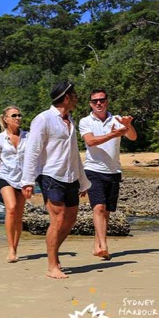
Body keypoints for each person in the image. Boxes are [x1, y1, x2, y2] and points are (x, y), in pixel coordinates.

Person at [21, 81, 91, 279]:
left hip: (70, 175)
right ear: (66, 97)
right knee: (58, 218)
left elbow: (74, 153)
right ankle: (52, 265)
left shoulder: (70, 120)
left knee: (70, 219)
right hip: (50, 174)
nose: (77, 98)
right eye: (75, 95)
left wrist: (83, 181)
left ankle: (54, 254)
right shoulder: (43, 119)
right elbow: (32, 151)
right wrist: (28, 181)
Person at [79, 88, 137, 259]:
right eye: (95, 101)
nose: (99, 103)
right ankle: (104, 245)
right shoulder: (85, 121)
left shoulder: (117, 119)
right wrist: (113, 134)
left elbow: (133, 137)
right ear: (90, 103)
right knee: (98, 207)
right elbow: (90, 141)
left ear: (107, 101)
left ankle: (97, 246)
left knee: (107, 212)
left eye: (102, 100)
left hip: (113, 170)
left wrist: (127, 125)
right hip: (93, 169)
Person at [0, 106, 28, 263]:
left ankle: (15, 247)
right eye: (14, 115)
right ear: (6, 119)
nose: (18, 118)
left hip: (23, 179)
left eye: (19, 115)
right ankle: (10, 249)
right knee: (11, 208)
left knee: (18, 216)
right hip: (5, 177)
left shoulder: (28, 136)